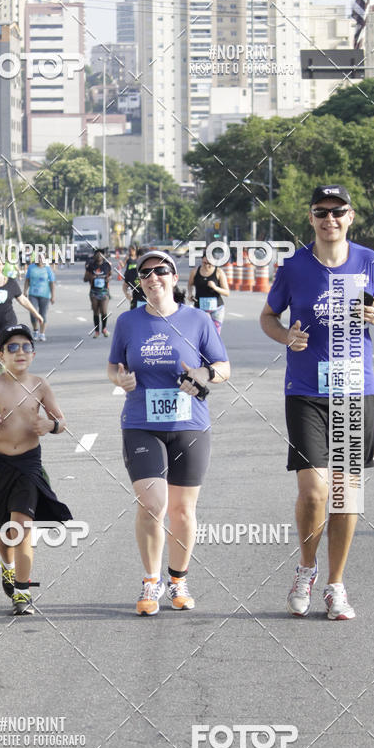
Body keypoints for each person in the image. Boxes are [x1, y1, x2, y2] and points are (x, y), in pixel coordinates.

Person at [260, 185, 374, 620]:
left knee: (346, 496)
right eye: (321, 212)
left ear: (350, 216)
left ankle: (335, 586)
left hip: (354, 393)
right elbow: (268, 316)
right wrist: (287, 337)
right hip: (305, 391)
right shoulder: (295, 266)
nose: (330, 219)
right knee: (313, 491)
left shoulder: (370, 262)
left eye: (337, 211)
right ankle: (306, 569)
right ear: (311, 218)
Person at [108, 250, 230, 615]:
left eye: (161, 271)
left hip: (189, 425)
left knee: (182, 511)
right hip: (141, 423)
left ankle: (178, 580)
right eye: (145, 272)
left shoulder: (198, 320)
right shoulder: (128, 322)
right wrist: (122, 378)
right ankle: (150, 581)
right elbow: (113, 368)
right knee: (152, 503)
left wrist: (203, 376)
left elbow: (223, 368)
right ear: (140, 282)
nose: (152, 277)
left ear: (175, 278)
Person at [0, 324, 72, 615]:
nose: (20, 352)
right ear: (2, 355)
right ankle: (8, 566)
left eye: (26, 346)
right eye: (12, 347)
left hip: (28, 463)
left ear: (34, 354)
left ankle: (22, 592)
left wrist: (50, 425)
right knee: (5, 533)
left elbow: (62, 422)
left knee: (22, 527)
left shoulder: (40, 385)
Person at [0, 255, 42, 377]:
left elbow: (23, 300)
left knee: (1, 357)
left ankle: (2, 384)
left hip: (6, 325)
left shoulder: (11, 283)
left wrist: (36, 314)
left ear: (3, 265)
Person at [187, 253, 230, 333]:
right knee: (200, 332)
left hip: (216, 309)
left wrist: (215, 287)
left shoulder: (219, 272)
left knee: (215, 334)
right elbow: (190, 284)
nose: (207, 266)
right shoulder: (195, 271)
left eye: (209, 263)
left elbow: (227, 293)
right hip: (199, 307)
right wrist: (190, 293)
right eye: (204, 263)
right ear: (202, 261)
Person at [23, 253, 55, 342]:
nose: (40, 259)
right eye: (39, 258)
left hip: (45, 295)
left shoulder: (48, 269)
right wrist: (25, 291)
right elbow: (27, 280)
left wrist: (53, 296)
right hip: (33, 294)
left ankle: (42, 333)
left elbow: (52, 283)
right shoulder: (31, 268)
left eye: (42, 258)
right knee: (33, 313)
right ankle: (35, 330)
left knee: (43, 314)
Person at [84, 249, 112, 337]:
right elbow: (85, 279)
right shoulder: (91, 266)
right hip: (94, 292)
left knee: (104, 311)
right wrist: (90, 277)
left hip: (104, 292)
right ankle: (96, 331)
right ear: (94, 256)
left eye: (101, 254)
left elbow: (110, 275)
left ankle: (104, 328)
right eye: (97, 254)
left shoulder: (107, 265)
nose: (99, 256)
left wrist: (108, 279)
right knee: (96, 312)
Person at [122, 245, 147, 309]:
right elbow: (125, 285)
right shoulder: (131, 272)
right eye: (140, 259)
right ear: (137, 258)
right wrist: (127, 294)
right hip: (136, 302)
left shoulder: (153, 272)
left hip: (150, 303)